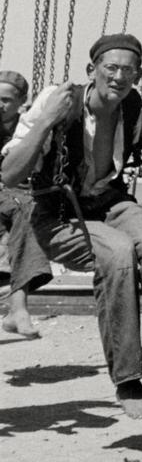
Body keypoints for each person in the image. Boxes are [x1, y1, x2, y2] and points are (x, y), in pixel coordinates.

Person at [0, 33, 142, 418]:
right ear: (92, 70)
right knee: (119, 253)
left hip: (110, 201)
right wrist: (45, 121)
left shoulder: (131, 102)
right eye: (111, 68)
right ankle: (128, 381)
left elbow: (131, 146)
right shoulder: (60, 101)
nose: (119, 77)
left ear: (137, 74)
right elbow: (10, 174)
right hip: (59, 213)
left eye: (128, 70)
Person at [0, 70, 51, 338]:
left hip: (19, 196)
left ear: (21, 101)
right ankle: (17, 310)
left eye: (6, 100)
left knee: (27, 211)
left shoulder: (30, 126)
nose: (0, 105)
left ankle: (17, 309)